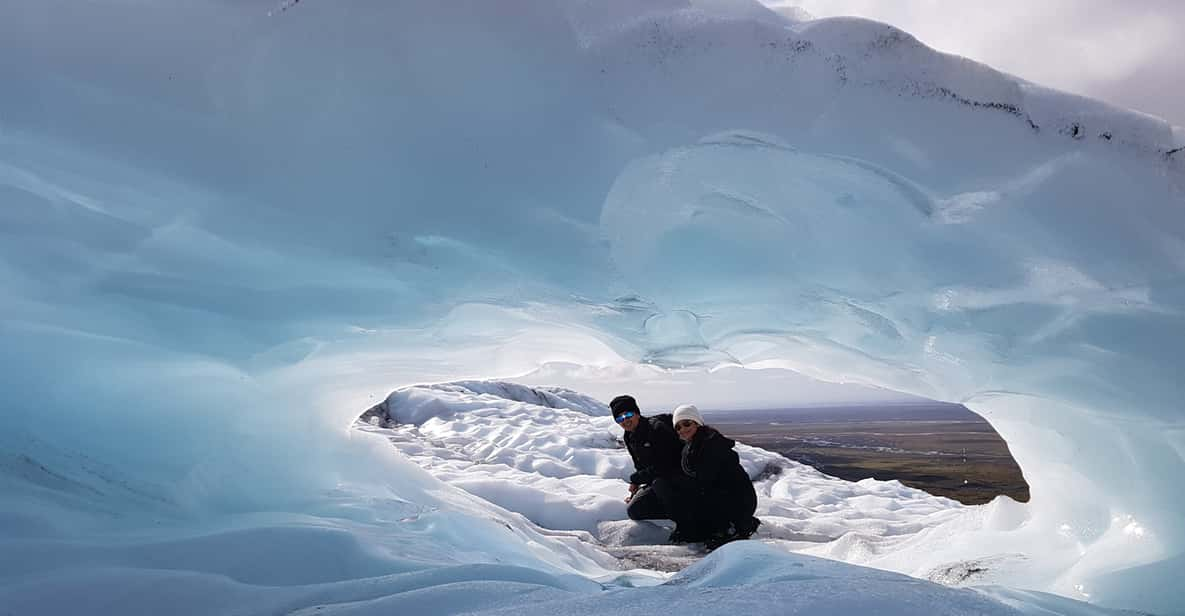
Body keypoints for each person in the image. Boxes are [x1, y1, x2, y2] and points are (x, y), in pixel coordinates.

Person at [611, 394, 702, 542]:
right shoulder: (629, 437)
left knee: (660, 483)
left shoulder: (656, 429)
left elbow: (668, 464)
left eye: (628, 414)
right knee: (635, 510)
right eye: (619, 418)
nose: (625, 420)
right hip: (661, 480)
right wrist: (637, 484)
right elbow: (640, 466)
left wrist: (637, 478)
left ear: (637, 413)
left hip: (685, 477)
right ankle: (688, 510)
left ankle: (687, 525)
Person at [671, 403, 761, 550]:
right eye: (678, 427)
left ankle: (738, 527)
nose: (683, 429)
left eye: (687, 423)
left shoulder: (710, 445)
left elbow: (708, 481)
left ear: (697, 423)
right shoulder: (694, 445)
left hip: (738, 502)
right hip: (726, 498)